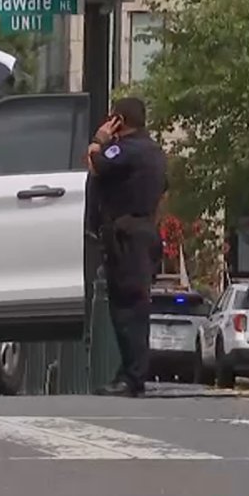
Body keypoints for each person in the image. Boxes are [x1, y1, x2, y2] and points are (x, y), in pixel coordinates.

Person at [85, 97, 168, 398]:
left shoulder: (125, 149)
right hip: (143, 232)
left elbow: (95, 161)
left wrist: (100, 139)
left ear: (119, 120)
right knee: (134, 306)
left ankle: (132, 378)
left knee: (127, 309)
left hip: (127, 237)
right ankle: (129, 373)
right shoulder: (153, 151)